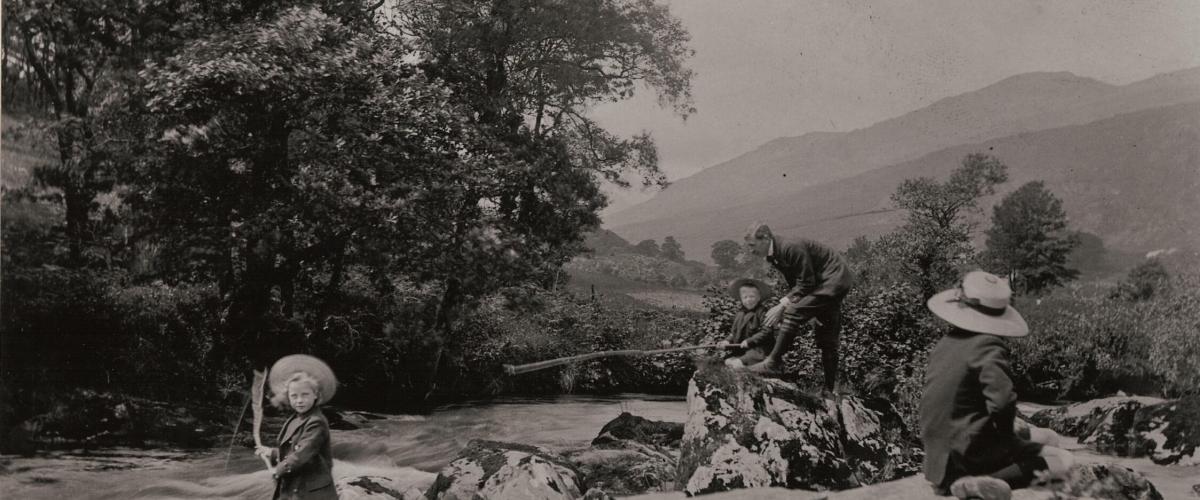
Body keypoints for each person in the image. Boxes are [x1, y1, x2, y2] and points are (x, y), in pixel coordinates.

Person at [920, 271, 1073, 500]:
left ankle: (959, 480)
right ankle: (984, 481)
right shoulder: (987, 345)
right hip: (968, 451)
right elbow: (1002, 403)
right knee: (1063, 461)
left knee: (1048, 437)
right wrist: (1008, 442)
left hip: (939, 456)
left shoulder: (947, 342)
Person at [742, 222, 853, 392]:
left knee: (792, 312)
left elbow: (806, 283)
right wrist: (808, 307)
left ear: (765, 239)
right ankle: (830, 390)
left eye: (752, 245)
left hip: (833, 280)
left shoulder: (790, 247)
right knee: (827, 337)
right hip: (822, 282)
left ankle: (772, 362)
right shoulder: (775, 253)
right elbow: (796, 282)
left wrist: (783, 306)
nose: (751, 250)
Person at [257, 355, 339, 500]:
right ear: (288, 397)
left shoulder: (316, 422)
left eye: (305, 395)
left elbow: (302, 454)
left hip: (312, 491)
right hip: (295, 484)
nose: (299, 400)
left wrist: (278, 470)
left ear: (316, 395)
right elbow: (291, 448)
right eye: (294, 396)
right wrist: (272, 453)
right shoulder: (294, 419)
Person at [717, 278, 776, 368]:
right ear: (741, 299)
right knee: (725, 362)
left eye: (752, 296)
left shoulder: (762, 312)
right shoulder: (740, 313)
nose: (748, 300)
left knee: (737, 364)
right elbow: (734, 333)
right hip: (743, 350)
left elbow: (766, 331)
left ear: (758, 297)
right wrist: (727, 341)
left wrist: (750, 341)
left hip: (759, 350)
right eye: (745, 297)